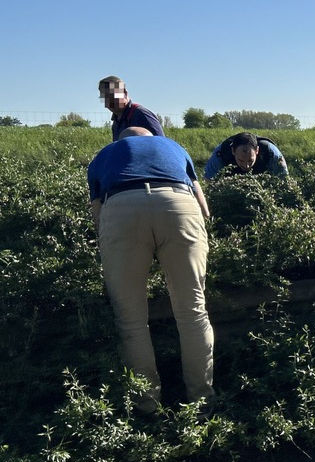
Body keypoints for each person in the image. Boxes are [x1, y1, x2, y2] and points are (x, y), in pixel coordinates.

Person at [87, 127, 214, 413]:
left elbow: (97, 212)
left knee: (130, 320)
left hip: (121, 206)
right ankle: (202, 401)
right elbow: (203, 206)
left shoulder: (104, 155)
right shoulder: (174, 147)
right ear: (152, 138)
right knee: (193, 312)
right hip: (179, 203)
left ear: (120, 140)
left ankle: (147, 407)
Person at [99, 75, 165, 141]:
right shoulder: (116, 122)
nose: (109, 101)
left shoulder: (141, 115)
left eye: (112, 96)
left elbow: (162, 144)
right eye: (105, 98)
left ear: (124, 93)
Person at [203, 132, 288, 180]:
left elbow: (284, 181)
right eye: (241, 160)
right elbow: (208, 181)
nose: (246, 166)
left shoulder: (271, 154)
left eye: (250, 161)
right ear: (233, 151)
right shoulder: (221, 154)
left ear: (257, 151)